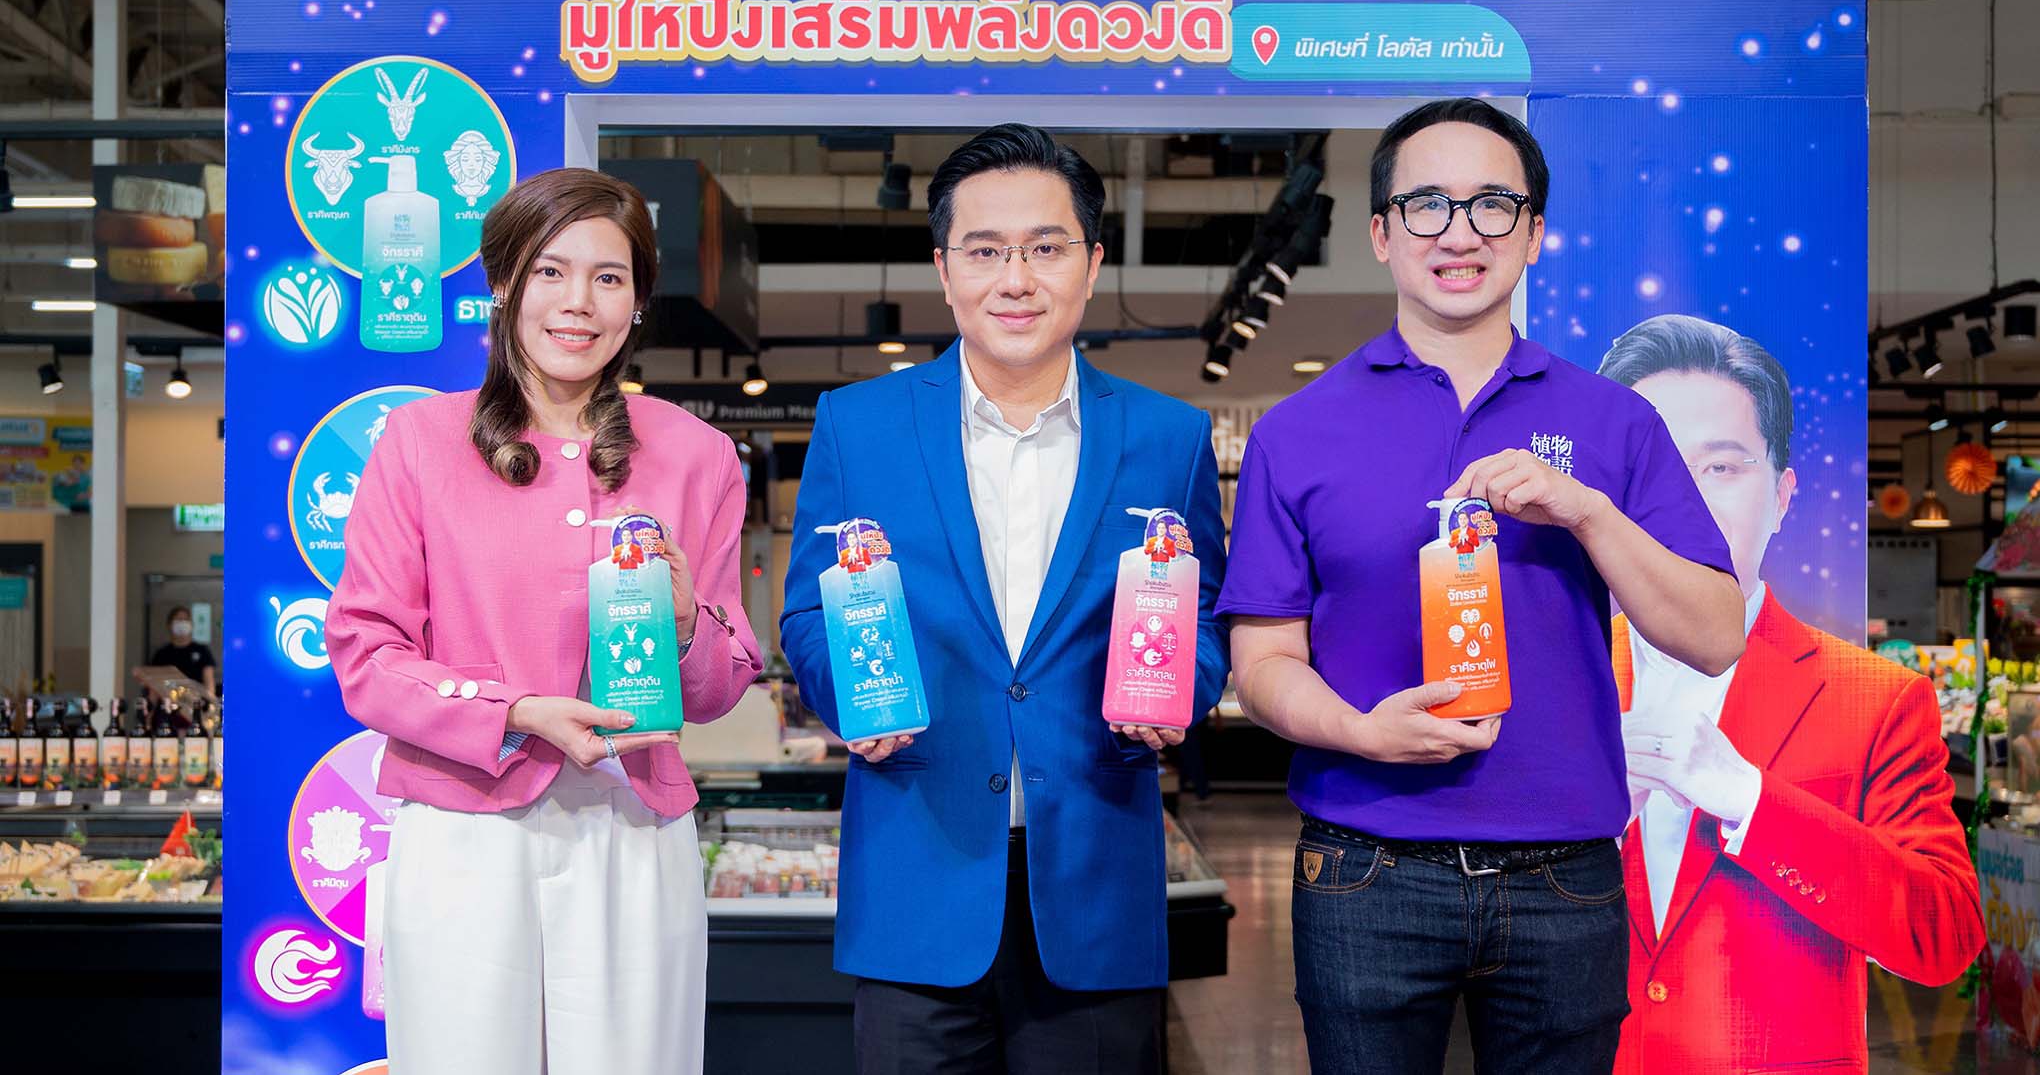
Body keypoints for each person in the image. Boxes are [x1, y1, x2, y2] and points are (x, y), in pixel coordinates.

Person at [1221, 98, 1746, 1075]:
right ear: (1381, 233)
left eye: (1492, 205)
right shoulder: (1297, 431)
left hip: (1566, 874)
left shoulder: (1614, 421)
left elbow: (1716, 634)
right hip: (1365, 865)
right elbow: (1261, 662)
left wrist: (1587, 512)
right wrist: (1360, 730)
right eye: (1426, 204)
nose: (1459, 232)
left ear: (1534, 233)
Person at [779, 123, 1229, 1075]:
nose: (1015, 279)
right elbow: (810, 613)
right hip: (918, 874)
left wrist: (1181, 689)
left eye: (1045, 248)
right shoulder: (859, 425)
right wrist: (850, 697)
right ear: (945, 270)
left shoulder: (1170, 437)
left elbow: (1206, 614)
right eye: (984, 251)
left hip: (1096, 881)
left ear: (1092, 264)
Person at [325, 168, 762, 1075]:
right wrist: (515, 712)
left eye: (609, 277)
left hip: (633, 830)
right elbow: (367, 651)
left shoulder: (699, 455)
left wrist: (688, 621)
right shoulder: (419, 442)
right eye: (550, 271)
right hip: (463, 829)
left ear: (638, 301)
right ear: (503, 283)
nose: (578, 302)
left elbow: (722, 684)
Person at [1598, 314, 1984, 1074]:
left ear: (1781, 496)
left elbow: (1943, 935)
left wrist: (1752, 801)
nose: (1684, 501)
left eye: (1721, 467)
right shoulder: (1551, 680)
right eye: (1652, 465)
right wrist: (1592, 831)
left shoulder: (1876, 698)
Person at [149, 606, 217, 693]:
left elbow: (209, 683)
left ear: (191, 624)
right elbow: (154, 686)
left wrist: (210, 700)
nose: (182, 623)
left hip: (196, 699)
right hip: (169, 699)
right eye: (178, 620)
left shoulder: (202, 651)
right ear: (169, 625)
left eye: (185, 619)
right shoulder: (161, 654)